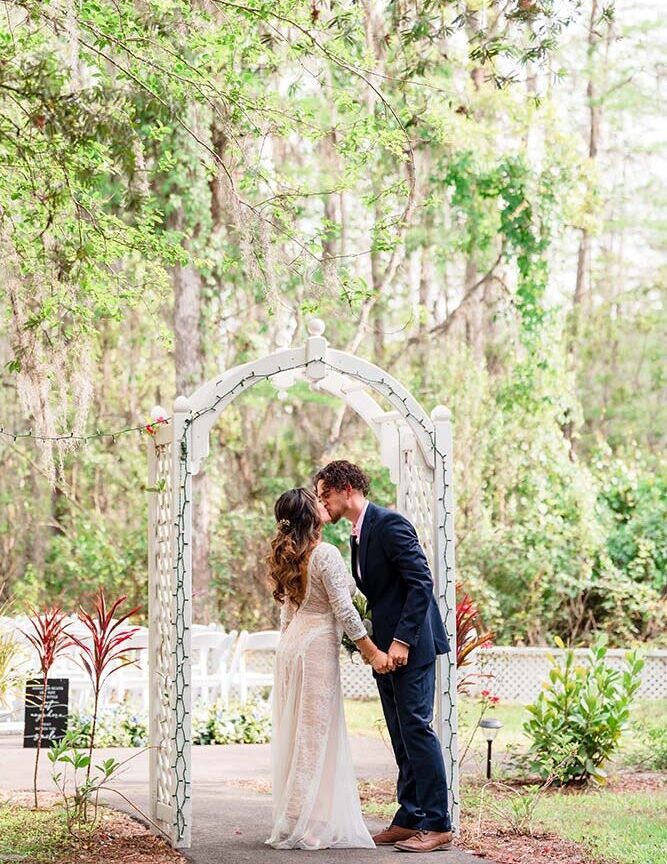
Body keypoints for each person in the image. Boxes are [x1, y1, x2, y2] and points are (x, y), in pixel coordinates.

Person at [315, 460, 453, 854]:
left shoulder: (390, 524)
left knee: (416, 728)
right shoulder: (358, 537)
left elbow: (421, 582)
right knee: (399, 732)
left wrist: (403, 642)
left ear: (346, 489)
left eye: (326, 495)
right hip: (386, 651)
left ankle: (438, 823)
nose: (324, 504)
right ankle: (409, 817)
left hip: (412, 646)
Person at [265, 486, 387, 850]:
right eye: (317, 502)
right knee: (313, 736)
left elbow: (287, 611)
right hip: (316, 647)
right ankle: (311, 823)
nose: (324, 505)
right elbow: (344, 610)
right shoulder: (325, 554)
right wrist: (369, 650)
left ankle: (293, 815)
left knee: (297, 732)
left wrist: (284, 649)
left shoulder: (291, 555)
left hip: (291, 647)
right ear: (311, 515)